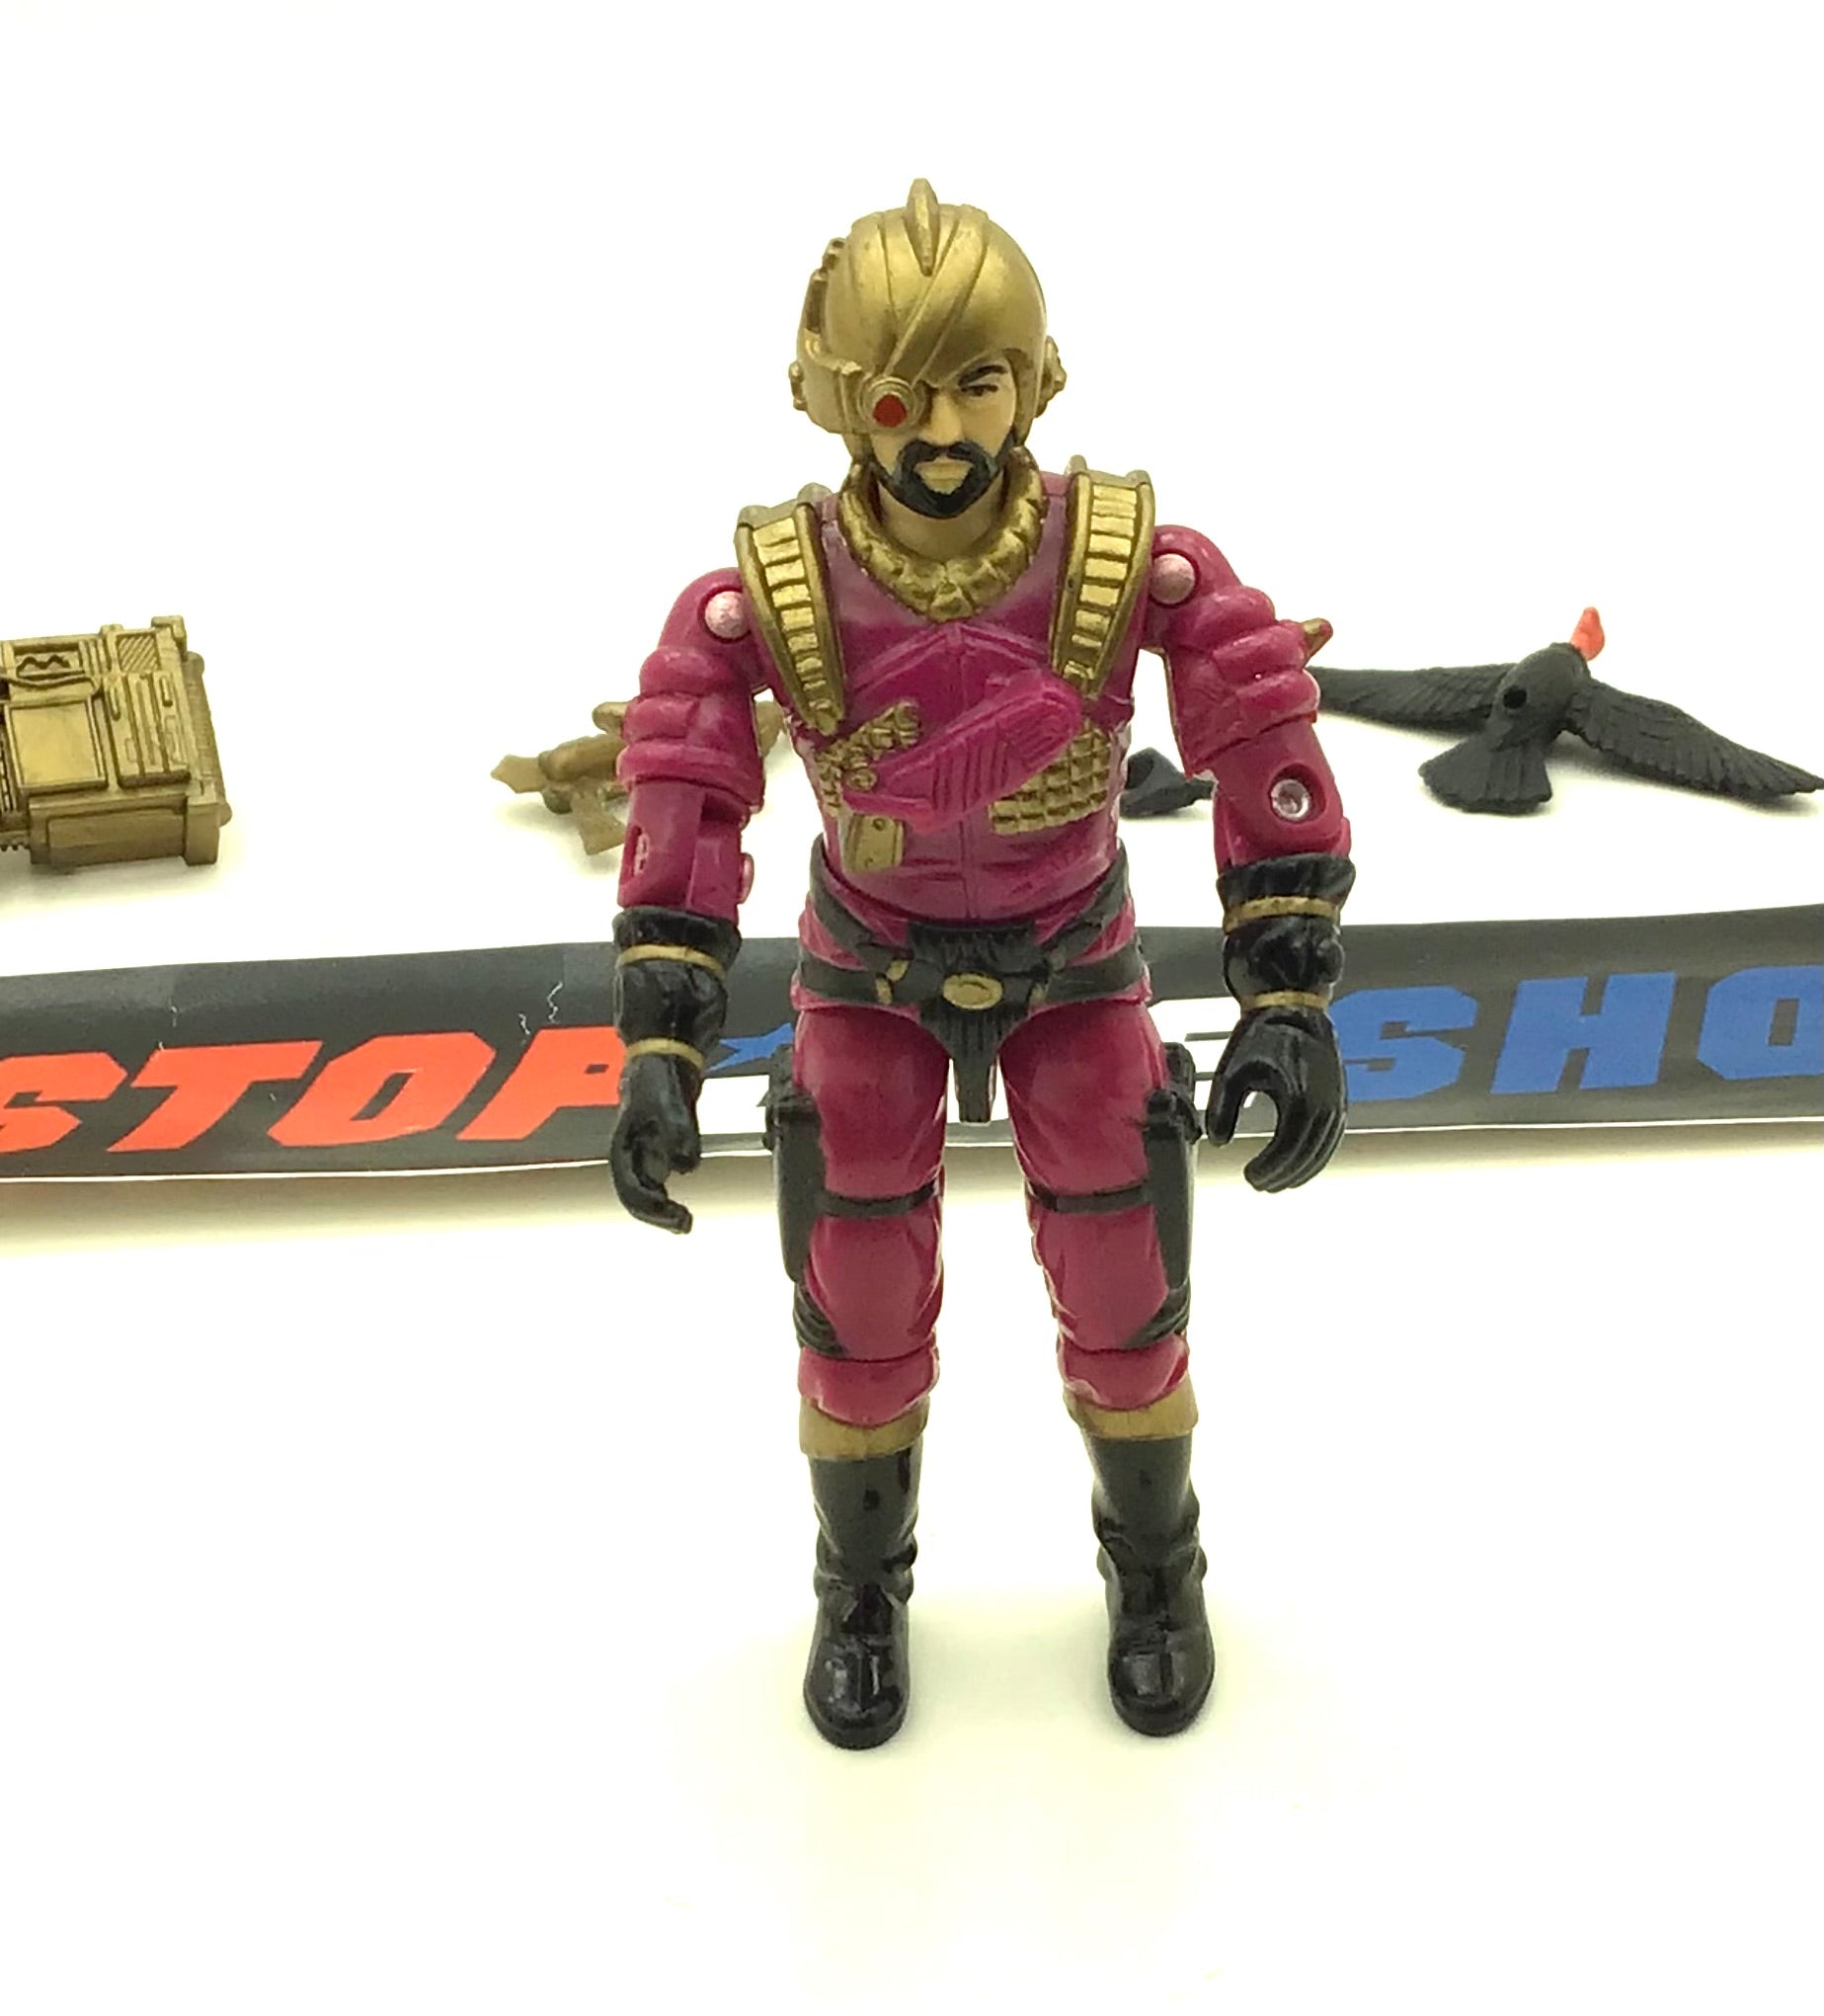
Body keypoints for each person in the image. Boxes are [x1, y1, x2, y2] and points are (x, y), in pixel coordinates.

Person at [607, 182, 1353, 1748]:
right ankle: (860, 1587)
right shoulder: (767, 590)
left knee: (1125, 1277)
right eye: (902, 395)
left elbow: (1261, 738)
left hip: (1074, 956)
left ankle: (1156, 1567)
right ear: (838, 398)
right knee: (857, 1294)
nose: (942, 428)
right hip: (867, 970)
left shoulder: (1127, 557)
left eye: (978, 383)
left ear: (1035, 380)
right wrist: (663, 1041)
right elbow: (686, 801)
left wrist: (1287, 991)